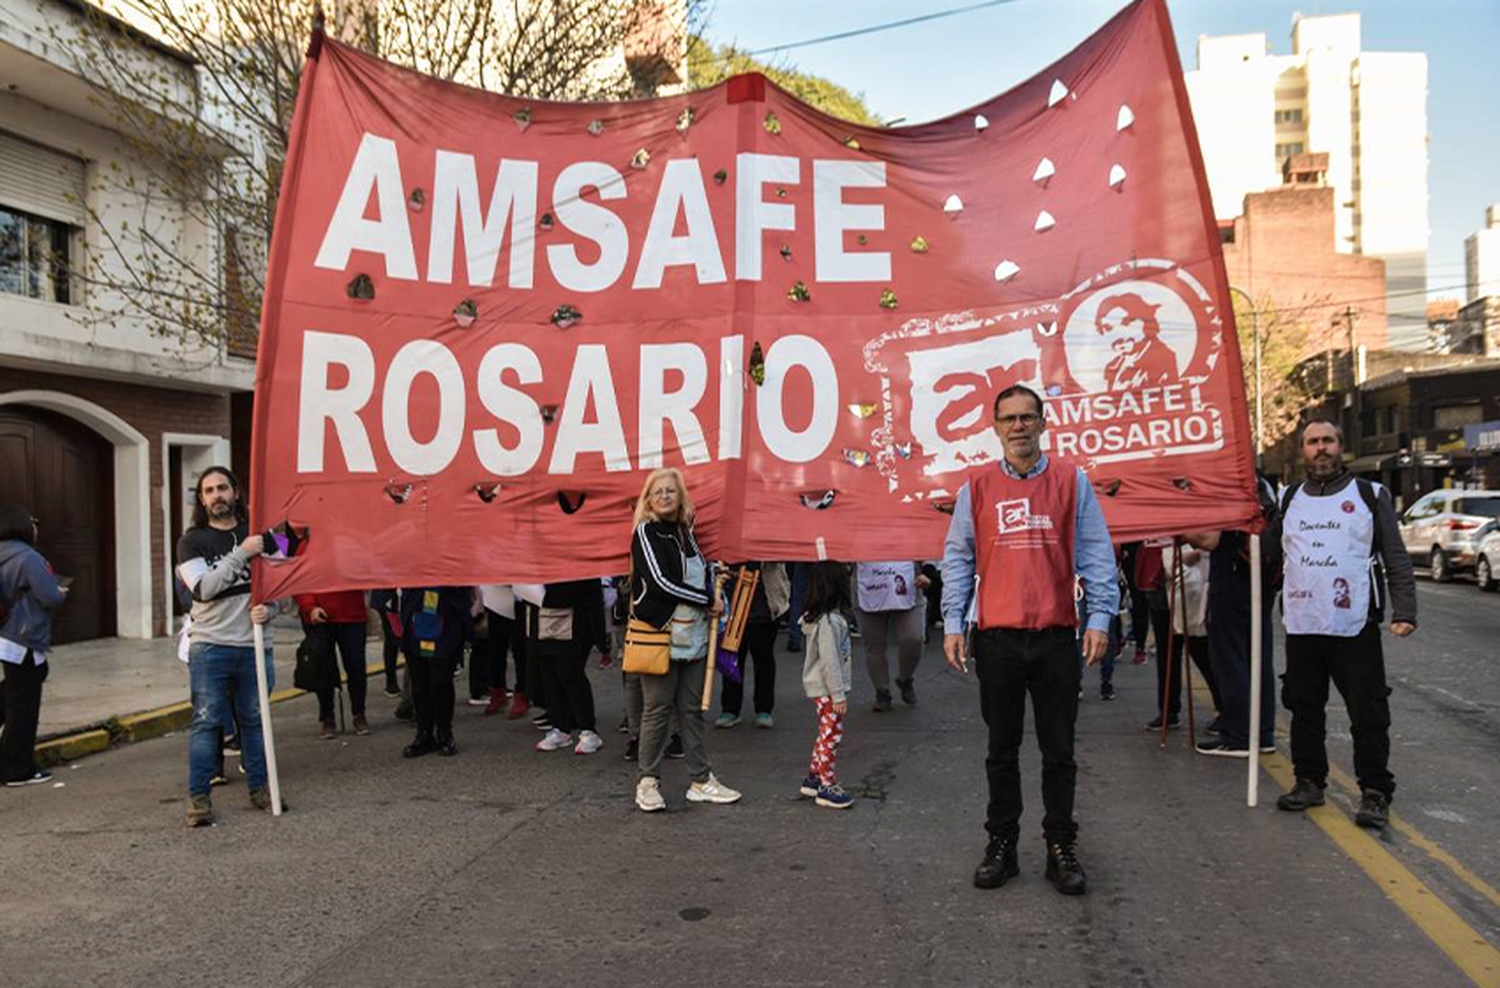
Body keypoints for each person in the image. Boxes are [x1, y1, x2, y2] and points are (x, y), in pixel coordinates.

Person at [941, 384, 1116, 895]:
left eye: (1027, 417)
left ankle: (1061, 846)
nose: (1018, 426)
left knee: (1059, 751)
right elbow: (958, 558)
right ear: (995, 426)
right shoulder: (975, 487)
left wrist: (1100, 616)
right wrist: (954, 623)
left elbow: (1095, 551)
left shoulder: (1070, 481)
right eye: (1008, 418)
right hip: (997, 640)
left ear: (1043, 423)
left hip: (1057, 639)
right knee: (1002, 750)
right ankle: (1002, 845)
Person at [1272, 421, 1416, 828]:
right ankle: (1309, 781)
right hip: (1303, 623)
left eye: (1328, 441)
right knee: (1303, 707)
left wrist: (1405, 611)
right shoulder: (1289, 499)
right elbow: (1266, 551)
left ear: (1341, 446)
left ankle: (1374, 792)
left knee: (1368, 711)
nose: (1321, 449)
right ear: (1303, 450)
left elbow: (1396, 557)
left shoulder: (1370, 496)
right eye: (1313, 442)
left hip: (1354, 625)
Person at [629, 467, 740, 812]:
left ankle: (701, 780)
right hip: (660, 635)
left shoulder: (685, 532)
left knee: (691, 712)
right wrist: (707, 600)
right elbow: (661, 582)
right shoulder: (645, 532)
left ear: (681, 497)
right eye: (657, 491)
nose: (664, 496)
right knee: (657, 711)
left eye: (670, 491)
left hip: (692, 636)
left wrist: (714, 577)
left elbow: (693, 573)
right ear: (648, 498)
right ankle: (647, 783)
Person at [176, 467, 280, 826]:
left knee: (255, 721)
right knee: (206, 723)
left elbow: (285, 581)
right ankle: (199, 800)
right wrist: (242, 554)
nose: (217, 495)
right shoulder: (191, 542)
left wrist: (273, 608)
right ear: (201, 499)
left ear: (236, 492)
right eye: (209, 490)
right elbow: (202, 588)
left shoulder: (265, 536)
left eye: (223, 488)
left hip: (254, 644)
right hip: (211, 646)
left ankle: (261, 788)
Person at [1183, 474, 1281, 758]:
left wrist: (1180, 530)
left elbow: (1210, 539)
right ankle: (1262, 734)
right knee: (1258, 659)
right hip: (1260, 579)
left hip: (1232, 578)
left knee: (1230, 659)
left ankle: (1237, 734)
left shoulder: (1225, 484)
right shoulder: (1260, 485)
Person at [0, 505, 67, 787]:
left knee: (16, 691)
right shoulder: (29, 557)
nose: (36, 527)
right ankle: (17, 768)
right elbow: (49, 597)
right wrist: (60, 591)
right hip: (23, 636)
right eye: (33, 522)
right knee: (24, 707)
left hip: (5, 634)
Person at [798, 561, 855, 809]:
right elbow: (830, 661)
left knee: (826, 731)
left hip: (823, 688)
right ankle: (826, 782)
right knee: (831, 735)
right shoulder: (830, 622)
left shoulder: (823, 619)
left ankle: (813, 777)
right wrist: (838, 694)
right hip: (828, 688)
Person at [531, 579, 607, 755]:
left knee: (570, 672)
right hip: (543, 610)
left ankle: (588, 729)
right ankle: (560, 727)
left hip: (574, 612)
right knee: (548, 672)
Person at [1153, 542, 1221, 734]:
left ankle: (1225, 707)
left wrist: (1197, 551)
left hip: (1188, 584)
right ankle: (1168, 710)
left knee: (1200, 649)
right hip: (1160, 582)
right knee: (1167, 652)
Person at [398, 586, 471, 758]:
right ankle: (424, 734)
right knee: (419, 683)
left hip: (445, 621)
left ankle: (444, 733)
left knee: (441, 681)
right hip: (415, 619)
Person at [716, 561, 790, 729]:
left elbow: (782, 556)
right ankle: (730, 709)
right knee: (732, 658)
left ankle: (764, 709)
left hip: (766, 603)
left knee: (764, 659)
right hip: (733, 602)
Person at [293, 588, 371, 738]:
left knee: (356, 666)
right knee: (322, 668)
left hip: (352, 612)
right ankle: (327, 717)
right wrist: (310, 606)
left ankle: (359, 713)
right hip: (318, 615)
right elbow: (300, 578)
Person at [853, 560, 927, 711]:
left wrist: (928, 572)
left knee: (913, 638)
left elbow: (927, 543)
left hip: (908, 583)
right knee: (874, 644)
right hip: (868, 584)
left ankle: (905, 678)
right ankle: (882, 691)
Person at [476, 585, 525, 716]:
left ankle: (522, 693)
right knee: (495, 649)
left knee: (520, 650)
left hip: (519, 595)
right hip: (495, 596)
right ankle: (497, 691)